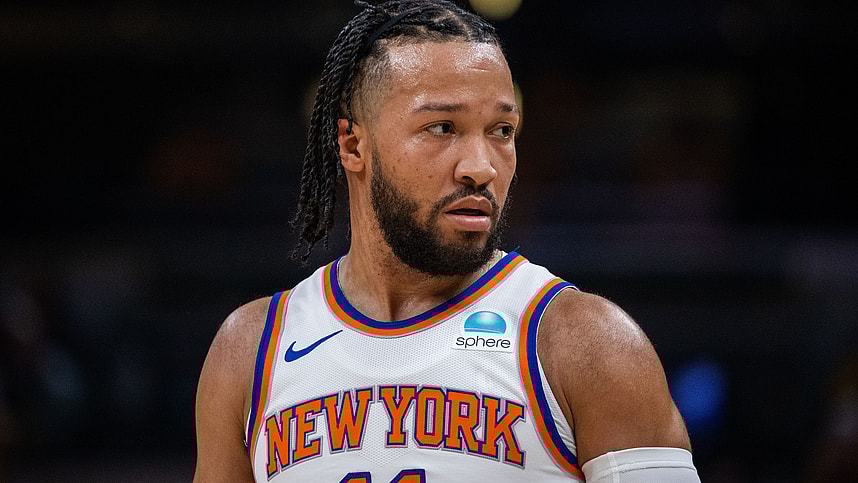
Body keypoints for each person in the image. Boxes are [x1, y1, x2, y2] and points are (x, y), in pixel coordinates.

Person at [194, 1, 700, 481]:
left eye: (502, 130)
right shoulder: (250, 349)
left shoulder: (587, 345)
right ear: (352, 145)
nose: (480, 167)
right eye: (442, 127)